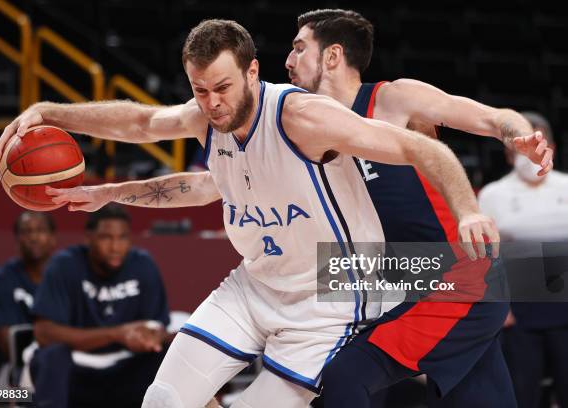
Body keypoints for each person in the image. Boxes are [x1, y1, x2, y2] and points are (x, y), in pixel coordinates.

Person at [46, 11, 552, 408]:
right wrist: (112, 188)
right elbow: (213, 182)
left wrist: (518, 137)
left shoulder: (388, 102)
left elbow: (486, 119)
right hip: (375, 273)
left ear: (331, 56)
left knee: (351, 377)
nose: (287, 58)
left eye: (298, 47)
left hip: (442, 270)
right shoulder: (283, 123)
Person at [29, 204, 171, 407]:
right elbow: (43, 332)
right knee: (52, 356)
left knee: (166, 353)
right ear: (89, 238)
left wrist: (153, 336)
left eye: (122, 238)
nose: (115, 247)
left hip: (125, 366)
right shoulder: (64, 265)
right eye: (106, 238)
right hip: (78, 366)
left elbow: (158, 327)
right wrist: (116, 334)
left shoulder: (143, 264)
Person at [479, 111, 568, 407]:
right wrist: (498, 306)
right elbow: (485, 254)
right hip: (518, 311)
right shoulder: (493, 194)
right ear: (509, 152)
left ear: (551, 148)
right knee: (523, 389)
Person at [0, 211, 56, 376]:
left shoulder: (65, 276)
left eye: (40, 230)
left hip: (63, 363)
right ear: (17, 240)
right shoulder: (2, 279)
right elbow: (8, 345)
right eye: (26, 231)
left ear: (53, 238)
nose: (34, 237)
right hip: (15, 369)